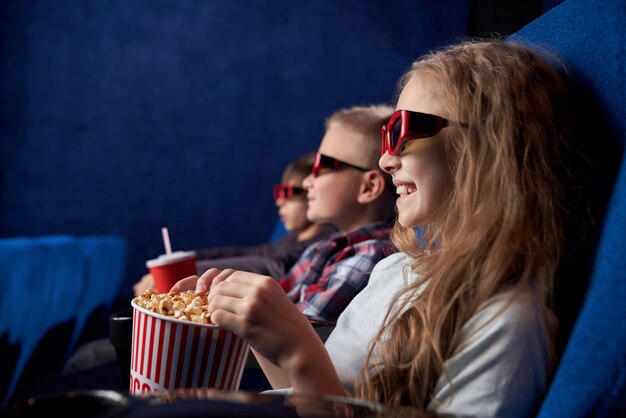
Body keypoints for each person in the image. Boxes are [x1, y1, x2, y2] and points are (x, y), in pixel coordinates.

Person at [172, 39, 579, 418]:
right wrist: (259, 332)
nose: (385, 161)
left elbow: (319, 386)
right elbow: (316, 391)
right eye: (386, 137)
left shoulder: (507, 323)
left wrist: (299, 348)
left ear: (487, 149)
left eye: (402, 131)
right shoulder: (395, 271)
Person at [132, 152, 335, 297]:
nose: (278, 201)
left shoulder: (323, 241)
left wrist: (180, 272)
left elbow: (271, 266)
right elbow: (251, 253)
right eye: (278, 192)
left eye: (288, 193)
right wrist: (184, 260)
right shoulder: (293, 238)